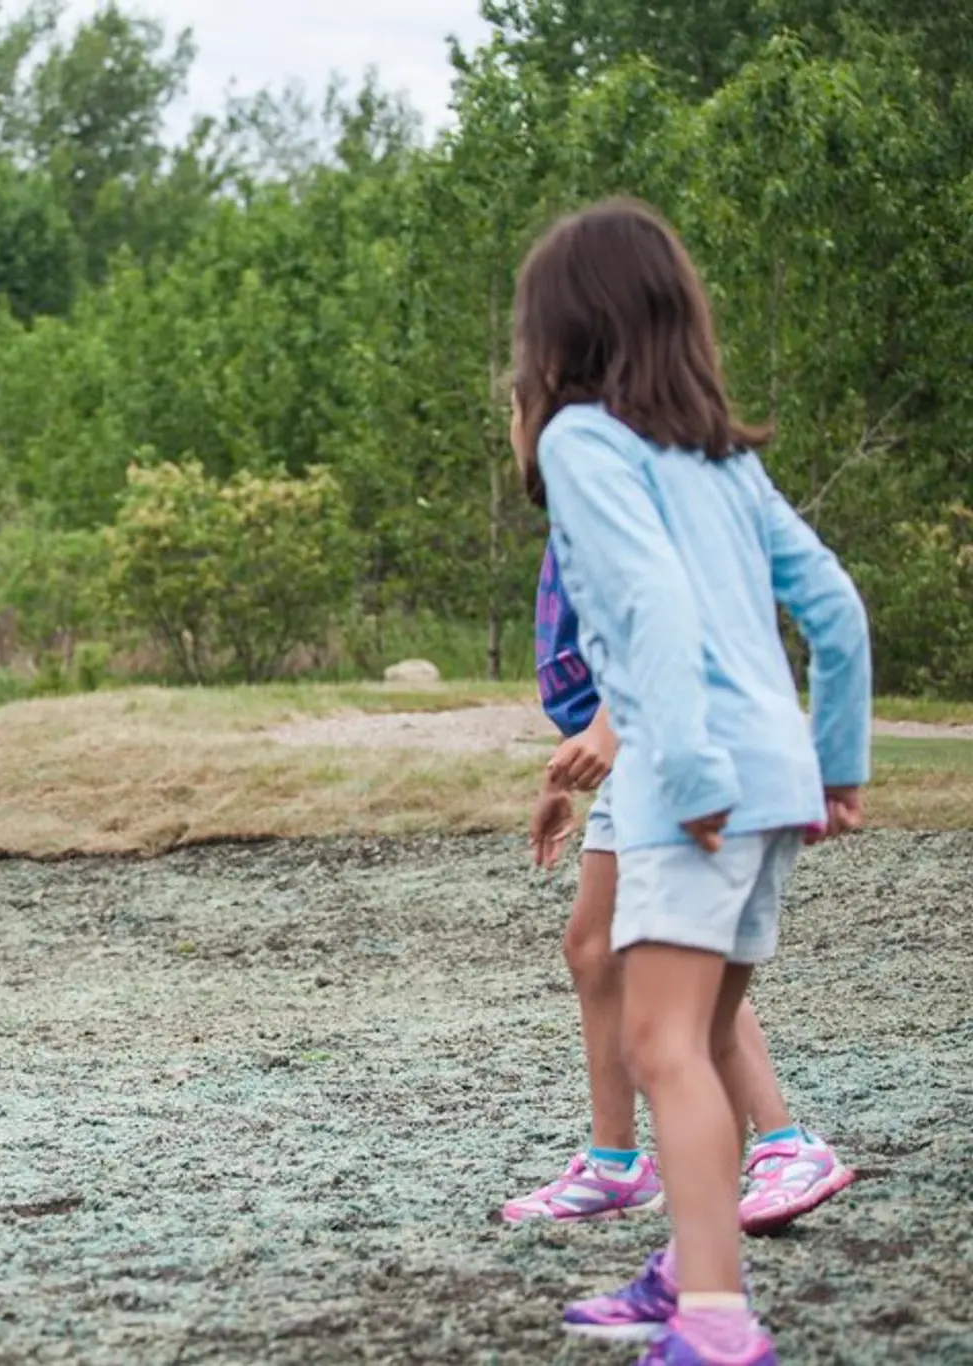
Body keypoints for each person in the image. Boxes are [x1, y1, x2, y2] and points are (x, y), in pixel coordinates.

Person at [506, 198, 871, 1366]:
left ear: (559, 336)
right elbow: (833, 609)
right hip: (776, 781)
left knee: (661, 1045)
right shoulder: (720, 456)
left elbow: (652, 606)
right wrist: (837, 762)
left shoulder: (580, 441)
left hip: (693, 781)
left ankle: (714, 1323)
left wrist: (693, 772)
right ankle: (687, 1267)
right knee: (706, 1038)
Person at [500, 541, 855, 1236]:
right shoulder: (577, 502)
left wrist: (609, 728)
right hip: (630, 736)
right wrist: (567, 767)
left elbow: (667, 611)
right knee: (594, 947)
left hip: (670, 732)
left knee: (678, 957)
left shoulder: (615, 487)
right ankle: (616, 1165)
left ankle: (785, 1145)